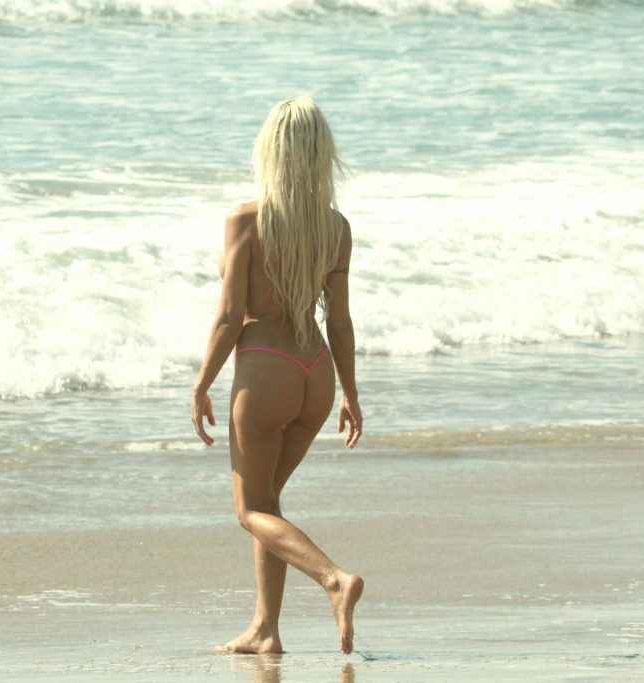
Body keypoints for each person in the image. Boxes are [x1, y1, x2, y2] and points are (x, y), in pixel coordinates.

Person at [191, 95, 365, 655]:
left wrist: (201, 384)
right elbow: (339, 322)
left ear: (271, 150)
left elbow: (229, 317)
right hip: (315, 374)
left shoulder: (247, 220)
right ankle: (266, 629)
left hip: (266, 369)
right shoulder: (335, 228)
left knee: (251, 510)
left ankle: (334, 579)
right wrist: (350, 394)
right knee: (268, 502)